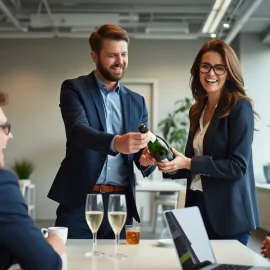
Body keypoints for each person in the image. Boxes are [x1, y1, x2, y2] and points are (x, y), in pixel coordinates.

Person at [47, 24, 156, 239]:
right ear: (94, 56)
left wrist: (144, 160)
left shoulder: (137, 101)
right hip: (80, 201)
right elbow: (78, 131)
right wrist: (116, 142)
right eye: (112, 55)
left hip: (121, 204)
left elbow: (137, 153)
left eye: (124, 54)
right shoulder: (73, 88)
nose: (120, 61)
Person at [155, 39, 260, 246]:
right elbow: (192, 165)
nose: (211, 73)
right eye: (205, 66)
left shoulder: (240, 108)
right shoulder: (197, 110)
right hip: (197, 211)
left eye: (219, 68)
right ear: (198, 70)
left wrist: (188, 163)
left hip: (229, 216)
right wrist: (168, 163)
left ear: (229, 72)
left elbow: (237, 167)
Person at [0, 92, 65, 270]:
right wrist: (51, 247)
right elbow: (45, 265)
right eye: (4, 127)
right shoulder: (2, 185)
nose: (9, 136)